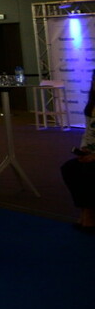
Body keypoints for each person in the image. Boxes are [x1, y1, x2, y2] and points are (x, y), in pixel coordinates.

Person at [60, 76, 95, 233]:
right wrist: (84, 149)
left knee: (88, 171)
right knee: (69, 168)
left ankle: (89, 214)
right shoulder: (91, 106)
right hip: (92, 152)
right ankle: (84, 210)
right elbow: (88, 133)